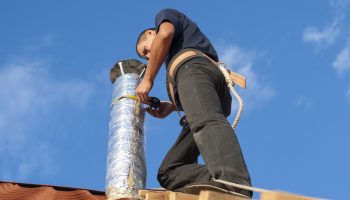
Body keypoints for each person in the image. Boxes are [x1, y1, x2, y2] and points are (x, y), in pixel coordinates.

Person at [135, 8, 252, 197]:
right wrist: (172, 107)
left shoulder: (164, 17)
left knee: (206, 124)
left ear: (150, 33)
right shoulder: (175, 60)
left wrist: (148, 79)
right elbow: (200, 93)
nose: (149, 56)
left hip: (195, 69)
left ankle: (235, 182)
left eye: (146, 50)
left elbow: (165, 34)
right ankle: (218, 180)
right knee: (169, 172)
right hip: (202, 88)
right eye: (145, 57)